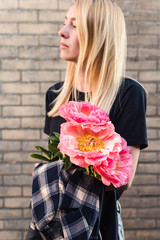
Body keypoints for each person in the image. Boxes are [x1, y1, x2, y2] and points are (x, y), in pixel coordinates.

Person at [25, 0, 148, 239]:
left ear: (99, 35)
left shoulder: (129, 94)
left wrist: (87, 147)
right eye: (64, 23)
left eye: (75, 25)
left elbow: (123, 179)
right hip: (49, 223)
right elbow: (55, 170)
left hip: (99, 225)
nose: (62, 31)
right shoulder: (56, 95)